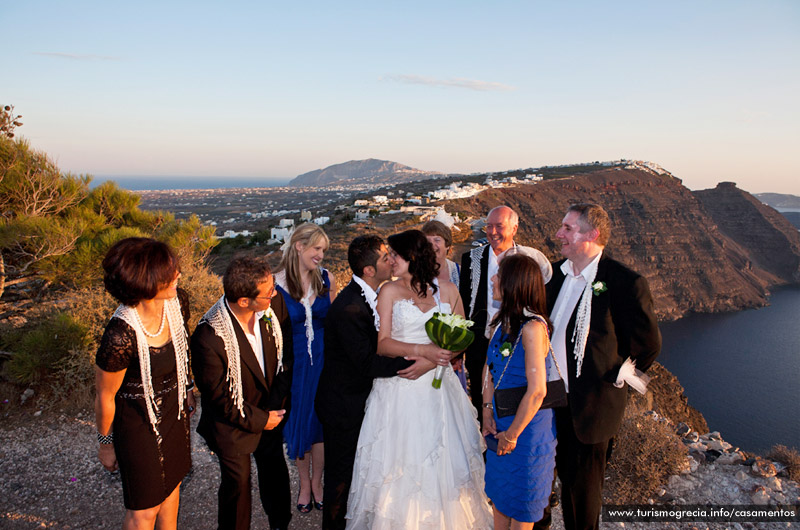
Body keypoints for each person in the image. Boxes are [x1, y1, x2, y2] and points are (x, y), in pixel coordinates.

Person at [346, 229, 493, 530]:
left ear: (412, 257)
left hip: (438, 388)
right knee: (400, 465)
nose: (390, 261)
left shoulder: (449, 290)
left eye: (395, 255)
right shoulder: (389, 291)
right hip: (400, 392)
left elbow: (464, 337)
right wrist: (421, 349)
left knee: (443, 461)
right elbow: (383, 343)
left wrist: (429, 362)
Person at [545, 203, 660, 530]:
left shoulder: (623, 281)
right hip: (550, 399)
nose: (559, 234)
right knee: (545, 477)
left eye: (568, 228)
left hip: (591, 407)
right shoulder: (556, 274)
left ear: (593, 234)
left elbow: (648, 344)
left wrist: (618, 376)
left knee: (582, 493)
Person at [315, 235, 415, 530]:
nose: (391, 261)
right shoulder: (349, 309)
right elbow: (367, 363)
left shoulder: (373, 297)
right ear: (369, 270)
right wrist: (414, 360)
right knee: (340, 480)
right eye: (385, 258)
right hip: (343, 407)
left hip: (361, 401)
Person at [95, 237, 194, 530]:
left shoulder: (177, 303)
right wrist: (106, 444)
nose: (178, 275)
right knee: (144, 510)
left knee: (172, 493)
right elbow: (104, 395)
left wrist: (187, 388)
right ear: (146, 279)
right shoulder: (120, 335)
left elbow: (181, 350)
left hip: (173, 415)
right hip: (138, 424)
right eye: (169, 271)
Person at [191, 255, 293, 530]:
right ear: (244, 301)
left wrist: (275, 408)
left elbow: (286, 358)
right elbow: (219, 397)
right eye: (268, 291)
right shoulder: (208, 337)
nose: (275, 293)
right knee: (237, 485)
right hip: (232, 424)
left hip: (271, 408)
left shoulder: (275, 304)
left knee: (275, 475)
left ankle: (280, 524)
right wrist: (261, 419)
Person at [482, 254, 558, 529]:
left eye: (498, 276)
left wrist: (511, 436)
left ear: (514, 283)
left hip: (526, 434)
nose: (492, 280)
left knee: (522, 511)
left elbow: (538, 391)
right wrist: (487, 411)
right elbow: (488, 371)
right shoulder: (501, 323)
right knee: (500, 502)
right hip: (500, 421)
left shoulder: (533, 328)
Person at [460, 205, 552, 420]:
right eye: (488, 226)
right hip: (480, 342)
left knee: (514, 393)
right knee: (482, 396)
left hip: (520, 340)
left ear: (514, 228)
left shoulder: (528, 259)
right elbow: (465, 303)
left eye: (499, 226)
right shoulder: (471, 259)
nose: (492, 232)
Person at [274, 223, 337, 513]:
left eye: (323, 250)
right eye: (316, 249)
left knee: (321, 423)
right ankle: (303, 483)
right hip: (295, 363)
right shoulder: (274, 284)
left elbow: (334, 323)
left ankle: (318, 482)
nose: (321, 255)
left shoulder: (327, 279)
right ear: (299, 246)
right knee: (299, 422)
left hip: (324, 361)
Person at [421, 219, 468, 391]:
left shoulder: (461, 272)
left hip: (454, 355)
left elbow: (465, 317)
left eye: (437, 240)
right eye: (428, 241)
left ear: (448, 245)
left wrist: (456, 354)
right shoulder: (416, 275)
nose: (432, 245)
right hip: (424, 350)